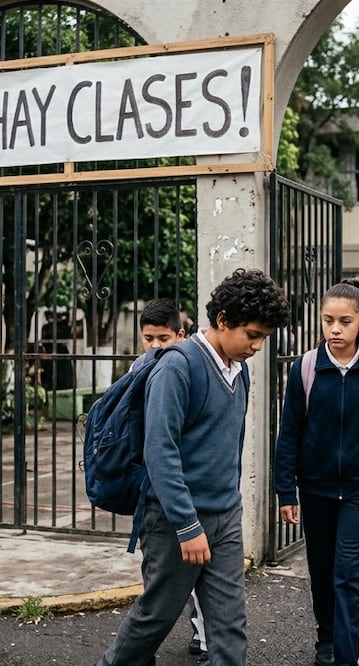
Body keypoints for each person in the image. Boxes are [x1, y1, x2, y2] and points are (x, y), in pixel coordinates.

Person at [97, 268, 290, 666]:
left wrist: (228, 508)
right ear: (223, 320)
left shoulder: (242, 370)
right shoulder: (177, 367)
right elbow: (160, 452)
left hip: (225, 517)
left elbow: (228, 447)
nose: (256, 346)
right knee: (155, 619)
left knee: (229, 625)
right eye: (252, 335)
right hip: (174, 522)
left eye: (263, 339)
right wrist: (188, 526)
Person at [274, 279, 359, 666]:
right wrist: (286, 491)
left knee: (349, 574)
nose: (335, 329)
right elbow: (289, 434)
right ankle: (326, 640)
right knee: (321, 570)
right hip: (315, 488)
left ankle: (346, 656)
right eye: (328, 320)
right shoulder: (305, 369)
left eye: (344, 321)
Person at [132, 298, 208, 660]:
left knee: (202, 577)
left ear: (181, 334)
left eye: (164, 337)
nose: (156, 346)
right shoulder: (139, 369)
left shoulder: (189, 368)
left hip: (195, 488)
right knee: (157, 576)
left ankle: (203, 636)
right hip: (153, 492)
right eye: (149, 338)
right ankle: (141, 654)